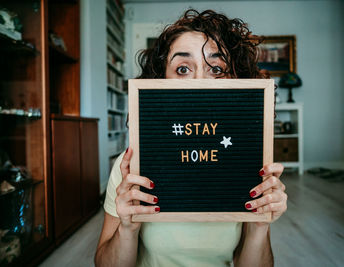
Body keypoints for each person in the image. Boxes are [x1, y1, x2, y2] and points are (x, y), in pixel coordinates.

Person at [95, 9, 287, 267]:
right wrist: (127, 229)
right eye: (183, 68)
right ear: (160, 79)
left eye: (217, 69)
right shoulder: (130, 168)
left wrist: (260, 224)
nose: (199, 82)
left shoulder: (248, 166)